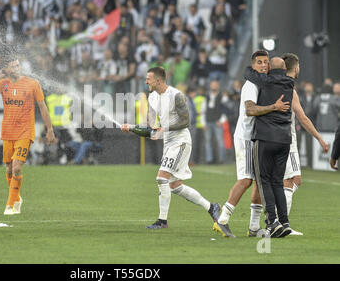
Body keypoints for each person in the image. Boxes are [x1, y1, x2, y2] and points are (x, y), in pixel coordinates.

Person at [121, 67, 221, 229]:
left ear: (158, 81)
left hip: (180, 141)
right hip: (168, 143)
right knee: (175, 186)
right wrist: (131, 127)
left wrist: (164, 128)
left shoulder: (176, 95)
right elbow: (153, 129)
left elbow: (186, 122)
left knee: (161, 178)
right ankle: (211, 207)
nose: (146, 81)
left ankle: (162, 221)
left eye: (149, 79)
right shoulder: (152, 98)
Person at [213, 50, 289, 238]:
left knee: (259, 181)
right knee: (246, 179)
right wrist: (274, 107)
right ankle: (222, 220)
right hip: (246, 137)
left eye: (266, 62)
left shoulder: (263, 83)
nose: (264, 65)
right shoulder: (250, 85)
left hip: (257, 138)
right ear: (253, 66)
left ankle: (254, 227)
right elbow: (250, 110)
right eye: (259, 63)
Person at [0, 57, 56, 215]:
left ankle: (10, 205)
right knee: (9, 169)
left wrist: (49, 129)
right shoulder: (3, 83)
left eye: (18, 65)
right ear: (7, 70)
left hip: (25, 131)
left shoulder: (32, 83)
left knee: (16, 167)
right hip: (8, 132)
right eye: (13, 66)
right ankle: (17, 198)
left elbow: (43, 107)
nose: (17, 68)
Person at [244, 57, 295, 238]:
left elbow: (247, 72)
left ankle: (272, 222)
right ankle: (284, 222)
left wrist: (258, 69)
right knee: (277, 182)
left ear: (270, 68)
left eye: (266, 64)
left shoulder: (265, 80)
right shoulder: (290, 82)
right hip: (284, 139)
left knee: (263, 180)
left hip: (266, 137)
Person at [281, 53, 329, 233]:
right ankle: (282, 223)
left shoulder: (273, 85)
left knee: (291, 180)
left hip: (273, 138)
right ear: (296, 67)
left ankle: (277, 216)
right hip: (288, 139)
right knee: (292, 179)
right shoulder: (289, 89)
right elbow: (302, 117)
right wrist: (319, 138)